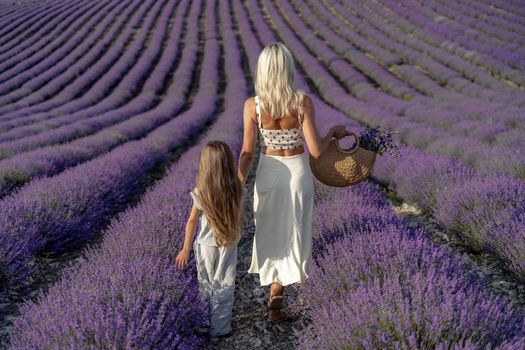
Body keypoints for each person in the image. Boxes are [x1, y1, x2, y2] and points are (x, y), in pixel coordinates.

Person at [237, 42, 349, 322]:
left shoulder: (253, 105)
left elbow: (247, 152)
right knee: (295, 229)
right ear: (287, 68)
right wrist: (333, 133)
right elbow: (316, 150)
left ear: (262, 70)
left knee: (269, 230)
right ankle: (280, 291)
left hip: (268, 171)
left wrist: (238, 183)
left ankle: (274, 289)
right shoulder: (301, 102)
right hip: (297, 170)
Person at [175, 140, 245, 337]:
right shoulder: (236, 188)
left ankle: (204, 323)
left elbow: (191, 222)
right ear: (229, 163)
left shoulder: (201, 191)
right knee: (224, 283)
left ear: (205, 165)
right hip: (228, 243)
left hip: (205, 245)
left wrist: (185, 249)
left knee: (205, 284)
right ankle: (221, 328)